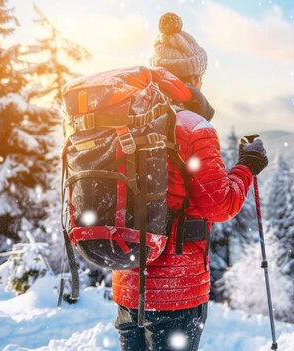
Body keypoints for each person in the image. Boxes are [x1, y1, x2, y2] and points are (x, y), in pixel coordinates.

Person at [112, 12, 269, 351]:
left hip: (128, 282)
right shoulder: (192, 127)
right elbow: (220, 204)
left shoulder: (124, 123)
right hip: (177, 291)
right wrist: (247, 166)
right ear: (195, 76)